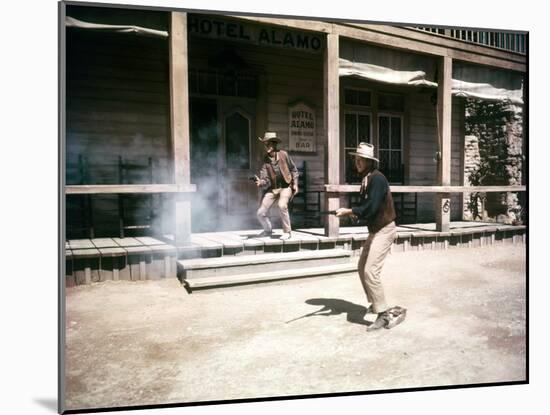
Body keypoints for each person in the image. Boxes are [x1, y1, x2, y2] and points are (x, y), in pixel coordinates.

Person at [335, 142, 406, 331]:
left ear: (369, 161)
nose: (357, 162)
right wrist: (354, 214)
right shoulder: (367, 179)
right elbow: (367, 208)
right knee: (361, 267)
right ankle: (376, 303)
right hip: (375, 229)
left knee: (370, 271)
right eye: (356, 159)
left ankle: (383, 315)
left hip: (385, 229)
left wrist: (349, 211)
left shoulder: (377, 179)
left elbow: (371, 207)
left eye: (361, 160)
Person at [254, 132, 299, 240]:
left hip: (286, 187)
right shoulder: (265, 160)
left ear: (274, 144)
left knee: (282, 205)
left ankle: (287, 232)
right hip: (273, 189)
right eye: (265, 144)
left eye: (269, 144)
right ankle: (268, 230)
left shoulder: (284, 154)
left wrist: (295, 184)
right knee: (260, 212)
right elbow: (265, 178)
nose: (267, 146)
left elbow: (294, 170)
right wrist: (261, 182)